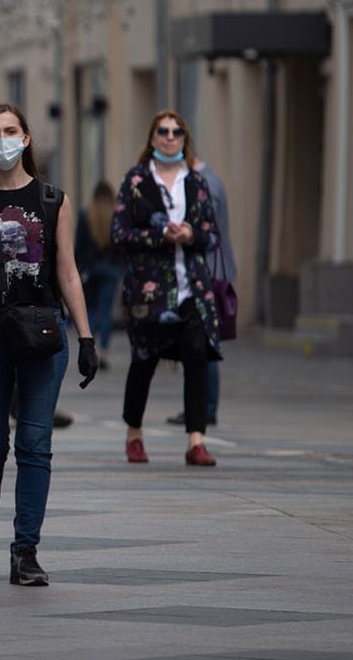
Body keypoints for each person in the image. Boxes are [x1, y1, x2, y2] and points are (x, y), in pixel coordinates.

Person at [0, 104, 99, 586]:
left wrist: (87, 336)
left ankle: (25, 549)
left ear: (27, 137)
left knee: (35, 443)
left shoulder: (54, 200)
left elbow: (67, 269)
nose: (3, 139)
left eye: (11, 131)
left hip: (44, 329)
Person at [113, 110, 223, 467]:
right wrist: (158, 234)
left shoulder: (196, 182)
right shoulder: (136, 181)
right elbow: (119, 233)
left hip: (191, 287)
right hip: (149, 290)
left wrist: (191, 234)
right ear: (152, 137)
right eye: (163, 131)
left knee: (197, 355)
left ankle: (196, 440)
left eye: (177, 132)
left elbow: (212, 235)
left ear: (184, 138)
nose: (170, 137)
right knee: (144, 360)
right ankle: (134, 433)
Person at [169, 157, 235, 427]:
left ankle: (206, 408)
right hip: (200, 275)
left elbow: (208, 231)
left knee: (204, 343)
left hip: (207, 275)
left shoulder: (205, 183)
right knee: (197, 344)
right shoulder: (205, 180)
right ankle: (199, 406)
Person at [73, 181, 120, 371]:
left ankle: (90, 348)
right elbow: (120, 245)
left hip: (90, 271)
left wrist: (80, 267)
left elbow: (79, 246)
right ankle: (104, 353)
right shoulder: (115, 216)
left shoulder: (86, 215)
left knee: (90, 311)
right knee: (106, 311)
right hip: (110, 270)